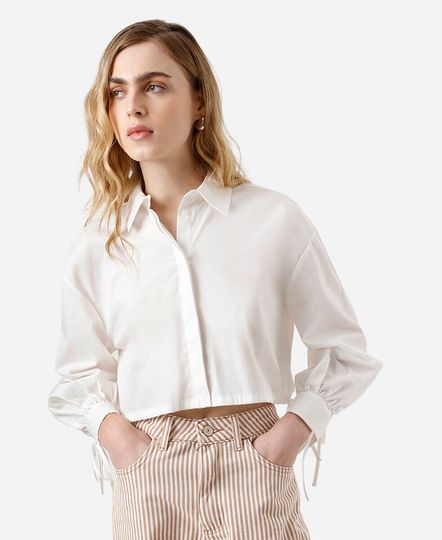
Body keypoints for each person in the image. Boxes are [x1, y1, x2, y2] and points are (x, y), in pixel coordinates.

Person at [47, 19, 383, 540]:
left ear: (199, 100)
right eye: (118, 92)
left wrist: (289, 435)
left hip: (255, 459)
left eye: (155, 86)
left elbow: (344, 351)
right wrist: (122, 442)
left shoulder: (273, 220)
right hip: (151, 471)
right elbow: (77, 377)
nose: (133, 106)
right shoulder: (98, 245)